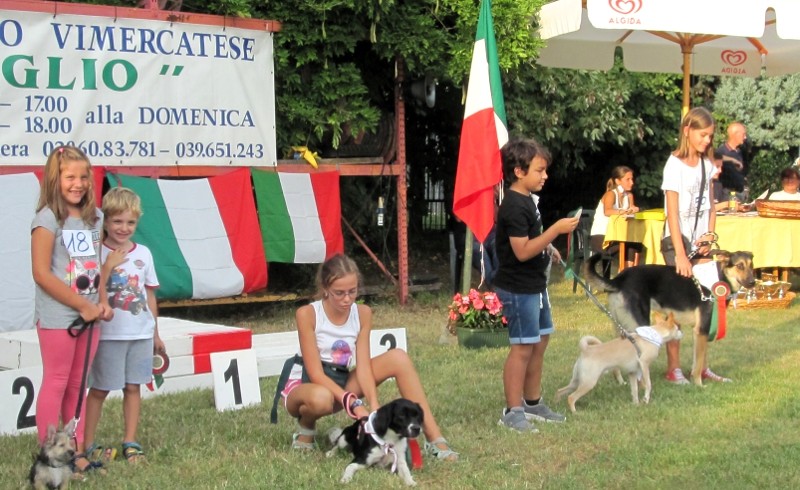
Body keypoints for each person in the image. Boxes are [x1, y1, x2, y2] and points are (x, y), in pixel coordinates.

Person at [276, 254, 458, 460]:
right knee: (321, 399)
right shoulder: (307, 314)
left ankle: (435, 440)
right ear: (325, 289)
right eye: (339, 293)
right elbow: (315, 372)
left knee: (399, 358)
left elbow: (363, 366)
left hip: (342, 379)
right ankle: (306, 428)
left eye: (352, 292)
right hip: (307, 385)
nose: (347, 299)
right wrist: (352, 402)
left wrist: (373, 404)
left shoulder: (362, 312)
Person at [31, 145, 113, 475]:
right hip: (59, 317)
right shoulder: (47, 219)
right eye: (69, 177)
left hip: (90, 316)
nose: (77, 183)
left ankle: (74, 451)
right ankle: (50, 455)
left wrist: (101, 302)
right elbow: (41, 272)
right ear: (55, 179)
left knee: (78, 385)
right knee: (57, 381)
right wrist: (81, 305)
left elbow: (96, 266)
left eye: (83, 176)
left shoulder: (96, 217)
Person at [493, 138, 579, 432]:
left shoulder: (528, 201)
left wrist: (548, 247)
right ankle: (512, 410)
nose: (545, 176)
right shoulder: (514, 206)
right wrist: (554, 231)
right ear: (519, 171)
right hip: (518, 289)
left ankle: (532, 403)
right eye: (539, 170)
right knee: (522, 348)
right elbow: (521, 251)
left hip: (535, 285)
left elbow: (533, 241)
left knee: (539, 341)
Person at [83, 187, 164, 466]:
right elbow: (89, 290)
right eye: (117, 221)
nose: (123, 228)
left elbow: (149, 294)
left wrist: (155, 332)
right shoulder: (94, 251)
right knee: (100, 389)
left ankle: (131, 441)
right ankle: (87, 442)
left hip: (140, 334)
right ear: (105, 221)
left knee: (133, 387)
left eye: (130, 222)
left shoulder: (144, 253)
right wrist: (108, 266)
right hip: (108, 336)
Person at [661, 107, 728, 385]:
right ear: (687, 131)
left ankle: (701, 367)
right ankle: (674, 368)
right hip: (677, 241)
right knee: (676, 306)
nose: (707, 141)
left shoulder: (707, 164)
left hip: (701, 244)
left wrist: (709, 235)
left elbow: (711, 205)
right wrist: (680, 253)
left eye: (710, 136)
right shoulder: (674, 165)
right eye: (703, 135)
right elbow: (672, 213)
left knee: (706, 304)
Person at [589, 166, 642, 269]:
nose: (632, 182)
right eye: (628, 179)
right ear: (618, 181)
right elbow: (607, 211)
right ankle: (625, 277)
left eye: (632, 179)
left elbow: (631, 213)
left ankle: (629, 276)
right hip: (601, 237)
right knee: (628, 245)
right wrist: (624, 211)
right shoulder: (610, 194)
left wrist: (635, 210)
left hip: (618, 236)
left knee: (636, 243)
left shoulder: (629, 196)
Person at [716, 122, 748, 200]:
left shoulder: (740, 152)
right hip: (727, 195)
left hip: (740, 193)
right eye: (743, 134)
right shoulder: (721, 152)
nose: (745, 137)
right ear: (735, 135)